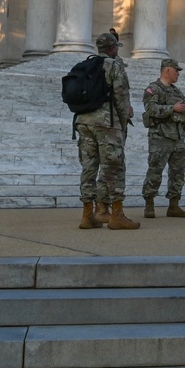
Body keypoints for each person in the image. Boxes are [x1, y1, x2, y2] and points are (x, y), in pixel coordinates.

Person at [75, 32, 139, 230]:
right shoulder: (114, 66)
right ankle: (117, 215)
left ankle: (88, 215)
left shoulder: (84, 65)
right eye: (116, 47)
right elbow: (121, 97)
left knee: (89, 167)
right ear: (112, 49)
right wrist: (122, 122)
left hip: (83, 121)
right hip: (106, 122)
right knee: (115, 166)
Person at [141, 58, 185, 219]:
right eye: (176, 70)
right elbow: (150, 109)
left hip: (178, 137)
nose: (178, 73)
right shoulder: (153, 89)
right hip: (160, 137)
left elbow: (183, 113)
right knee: (155, 170)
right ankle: (149, 204)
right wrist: (171, 108)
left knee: (178, 173)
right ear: (167, 70)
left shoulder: (177, 92)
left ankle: (174, 205)